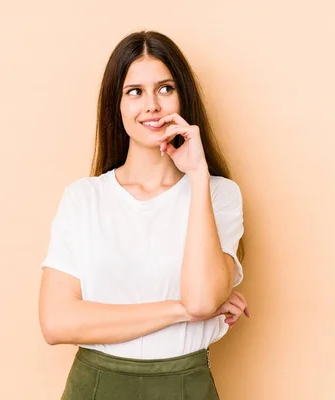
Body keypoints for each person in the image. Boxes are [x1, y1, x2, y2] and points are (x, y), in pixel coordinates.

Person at [39, 30, 250, 400]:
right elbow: (56, 323)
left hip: (185, 385)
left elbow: (202, 301)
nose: (151, 105)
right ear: (116, 106)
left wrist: (198, 175)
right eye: (134, 91)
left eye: (165, 88)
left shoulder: (218, 194)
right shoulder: (84, 198)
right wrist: (179, 311)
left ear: (183, 97)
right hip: (97, 386)